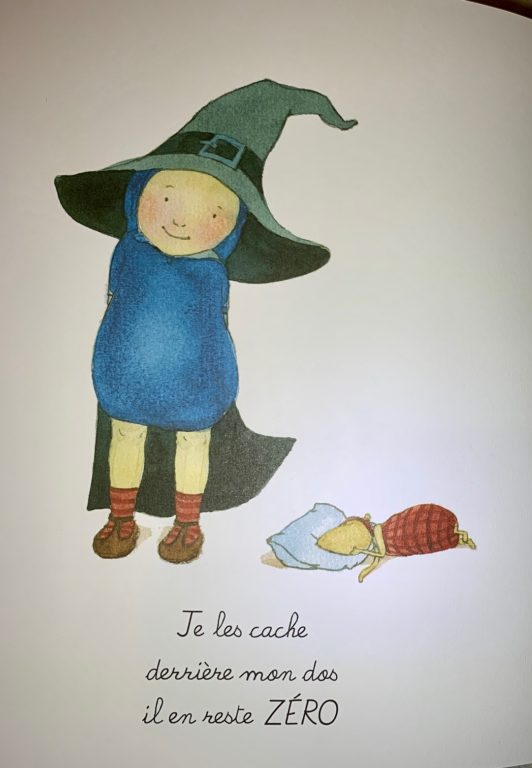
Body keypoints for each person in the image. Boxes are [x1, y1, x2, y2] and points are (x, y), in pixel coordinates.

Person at [55, 80, 356, 563]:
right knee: (126, 435)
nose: (181, 220)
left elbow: (214, 325)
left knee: (193, 441)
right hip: (126, 375)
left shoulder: (211, 272)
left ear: (236, 224)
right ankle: (122, 516)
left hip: (196, 380)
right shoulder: (130, 253)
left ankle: (187, 523)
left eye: (215, 211)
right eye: (166, 198)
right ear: (137, 194)